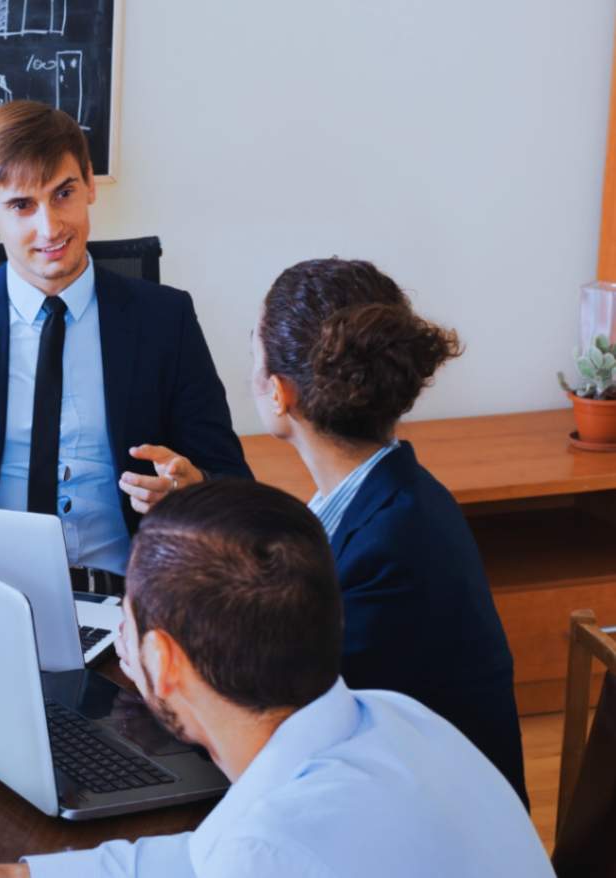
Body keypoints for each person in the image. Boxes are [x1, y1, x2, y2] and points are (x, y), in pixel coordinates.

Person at [0, 480, 552, 878]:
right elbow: (199, 860)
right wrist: (14, 876)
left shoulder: (269, 850)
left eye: (127, 622)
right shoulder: (399, 720)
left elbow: (242, 856)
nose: (120, 637)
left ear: (164, 662)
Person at [0, 100, 249, 592]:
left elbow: (234, 484)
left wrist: (192, 491)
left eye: (63, 193)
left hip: (128, 597)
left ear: (90, 186)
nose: (50, 227)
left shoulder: (165, 319)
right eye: (21, 205)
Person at [249, 257, 526, 801]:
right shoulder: (390, 496)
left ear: (281, 393)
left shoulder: (393, 546)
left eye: (252, 351)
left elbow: (288, 715)